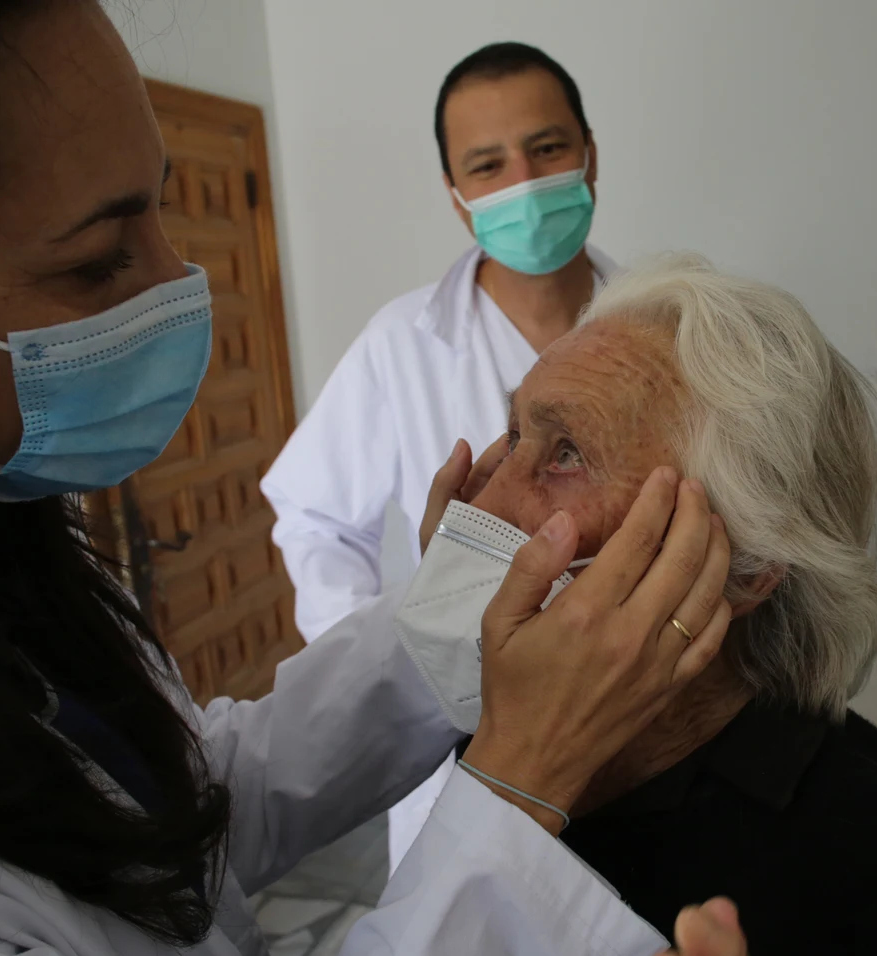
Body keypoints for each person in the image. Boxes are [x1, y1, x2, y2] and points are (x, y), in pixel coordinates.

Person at [0, 3, 775, 956]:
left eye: (159, 211)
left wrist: (448, 631)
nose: (182, 287)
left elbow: (182, 814)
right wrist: (517, 786)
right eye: (95, 262)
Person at [411, 254, 877, 956]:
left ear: (739, 566)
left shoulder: (863, 849)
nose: (481, 501)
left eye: (565, 452)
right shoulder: (510, 727)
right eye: (514, 435)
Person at [260, 41, 615, 869]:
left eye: (548, 149)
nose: (523, 183)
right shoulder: (398, 347)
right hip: (466, 741)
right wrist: (407, 663)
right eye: (488, 165)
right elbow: (310, 516)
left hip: (636, 718)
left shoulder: (660, 327)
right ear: (458, 198)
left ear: (590, 153)